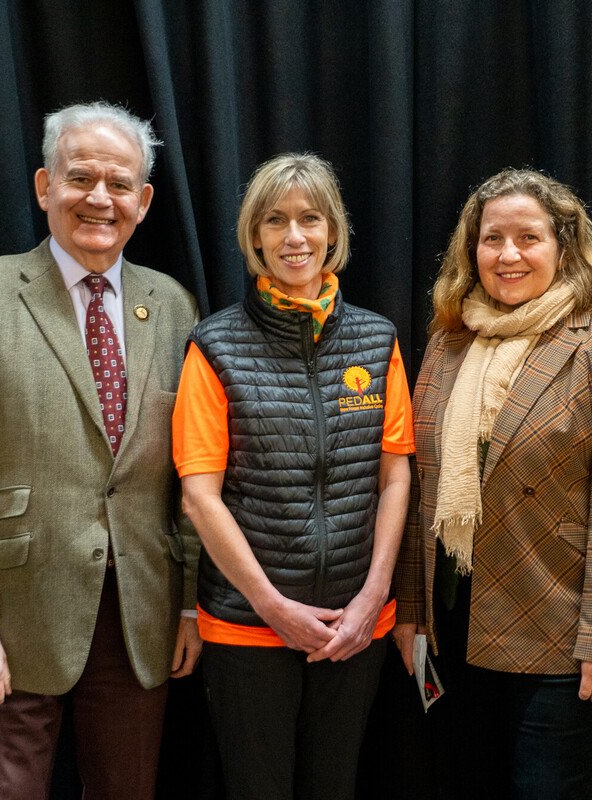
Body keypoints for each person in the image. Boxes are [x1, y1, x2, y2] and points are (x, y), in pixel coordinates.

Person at [0, 101, 201, 799]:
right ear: (45, 187)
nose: (99, 198)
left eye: (119, 183)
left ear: (145, 200)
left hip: (141, 617)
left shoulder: (173, 307)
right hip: (10, 617)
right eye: (80, 178)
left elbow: (192, 471)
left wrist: (190, 602)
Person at [393, 168, 592, 800]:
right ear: (472, 249)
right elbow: (418, 486)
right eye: (492, 239)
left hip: (563, 634)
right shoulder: (447, 343)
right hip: (454, 629)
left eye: (528, 238)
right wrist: (411, 611)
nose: (508, 255)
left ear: (563, 248)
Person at [172, 152, 414, 800]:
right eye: (275, 221)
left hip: (354, 624)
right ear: (255, 236)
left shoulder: (377, 338)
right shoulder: (214, 346)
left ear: (333, 232)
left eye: (310, 219)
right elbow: (200, 497)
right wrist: (273, 608)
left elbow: (395, 476)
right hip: (246, 628)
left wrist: (372, 600)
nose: (295, 237)